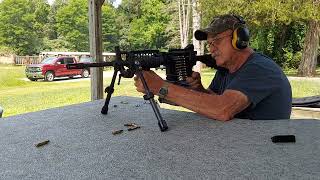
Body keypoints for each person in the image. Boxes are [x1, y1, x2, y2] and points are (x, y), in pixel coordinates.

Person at [134, 14, 292, 121]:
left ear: (240, 38)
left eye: (216, 40)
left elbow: (222, 109)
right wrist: (199, 90)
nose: (211, 48)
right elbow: (214, 102)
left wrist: (160, 87)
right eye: (209, 43)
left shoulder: (260, 68)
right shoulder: (226, 69)